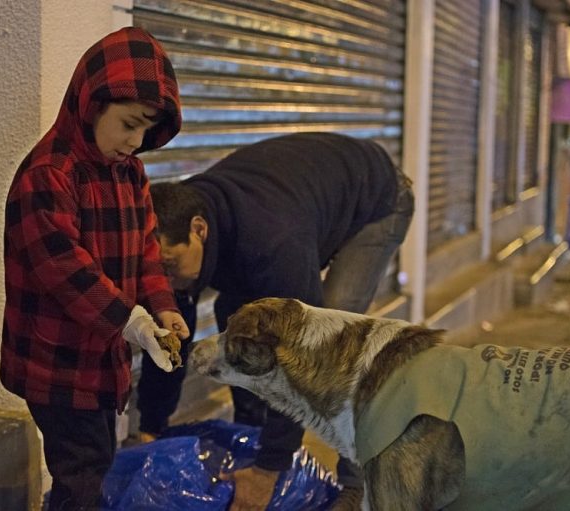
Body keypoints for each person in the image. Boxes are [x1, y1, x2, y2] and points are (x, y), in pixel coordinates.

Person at [141, 131, 414, 510]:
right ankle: (251, 438)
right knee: (234, 322)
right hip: (301, 199)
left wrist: (269, 470)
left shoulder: (272, 246)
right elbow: (171, 338)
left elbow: (305, 357)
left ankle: (357, 487)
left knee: (336, 339)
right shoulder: (181, 230)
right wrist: (149, 429)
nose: (165, 281)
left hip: (376, 198)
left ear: (199, 230)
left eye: (169, 267)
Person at [0, 27, 190, 510]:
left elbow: (147, 249)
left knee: (95, 466)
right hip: (56, 365)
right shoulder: (50, 174)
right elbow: (67, 271)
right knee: (83, 477)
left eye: (146, 129)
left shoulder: (130, 173)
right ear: (91, 102)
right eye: (128, 124)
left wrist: (163, 307)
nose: (136, 140)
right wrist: (133, 322)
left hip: (103, 364)